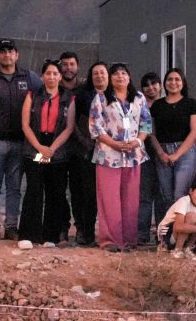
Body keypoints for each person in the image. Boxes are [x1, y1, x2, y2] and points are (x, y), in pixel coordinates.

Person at [0, 38, 42, 241]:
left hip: (21, 142)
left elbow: (46, 94)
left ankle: (11, 227)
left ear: (17, 55)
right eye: (2, 51)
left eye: (10, 51)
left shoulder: (29, 78)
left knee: (14, 188)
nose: (6, 55)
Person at [89, 62, 152, 252]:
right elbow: (95, 127)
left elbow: (146, 124)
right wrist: (114, 143)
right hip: (108, 155)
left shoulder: (139, 98)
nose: (120, 77)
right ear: (111, 78)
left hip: (133, 155)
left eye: (123, 73)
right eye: (115, 74)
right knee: (109, 199)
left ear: (129, 77)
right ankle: (110, 240)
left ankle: (129, 240)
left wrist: (138, 141)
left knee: (131, 199)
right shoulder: (101, 98)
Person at [19, 59, 76, 244]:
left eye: (55, 73)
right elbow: (25, 125)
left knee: (55, 193)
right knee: (34, 191)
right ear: (42, 76)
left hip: (56, 151)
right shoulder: (32, 95)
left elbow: (69, 127)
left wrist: (52, 148)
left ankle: (50, 236)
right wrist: (40, 147)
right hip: (35, 148)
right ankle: (28, 235)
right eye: (48, 73)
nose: (51, 77)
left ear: (60, 76)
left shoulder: (69, 98)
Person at [149, 68, 196, 217]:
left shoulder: (191, 103)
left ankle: (180, 234)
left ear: (183, 83)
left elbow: (195, 131)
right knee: (166, 194)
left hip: (185, 151)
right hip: (162, 152)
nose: (173, 82)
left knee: (180, 193)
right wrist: (161, 153)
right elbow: (151, 132)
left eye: (177, 79)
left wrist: (177, 154)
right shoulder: (157, 105)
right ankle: (166, 232)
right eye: (170, 79)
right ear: (165, 83)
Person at [71, 61, 109, 246]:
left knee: (106, 194)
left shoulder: (115, 96)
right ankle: (85, 231)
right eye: (96, 73)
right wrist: (86, 144)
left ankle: (109, 233)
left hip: (111, 153)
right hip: (86, 152)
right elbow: (74, 124)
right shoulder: (82, 96)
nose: (99, 76)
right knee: (86, 194)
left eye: (102, 73)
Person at [58, 51, 83, 243]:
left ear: (77, 66)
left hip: (80, 149)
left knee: (78, 191)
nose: (68, 68)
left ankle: (81, 228)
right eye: (65, 64)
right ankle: (62, 227)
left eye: (71, 64)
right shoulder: (53, 88)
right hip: (57, 149)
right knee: (58, 190)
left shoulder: (84, 90)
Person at [157, 178, 196, 260]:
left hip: (181, 235)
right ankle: (177, 250)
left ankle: (187, 249)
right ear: (191, 191)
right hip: (166, 236)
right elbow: (178, 227)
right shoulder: (184, 201)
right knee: (192, 216)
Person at [137, 72, 164, 245]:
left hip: (164, 154)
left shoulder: (166, 104)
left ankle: (161, 234)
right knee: (145, 196)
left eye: (154, 83)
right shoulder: (139, 105)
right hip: (143, 154)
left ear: (160, 85)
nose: (151, 87)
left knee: (162, 196)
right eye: (146, 84)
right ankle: (142, 234)